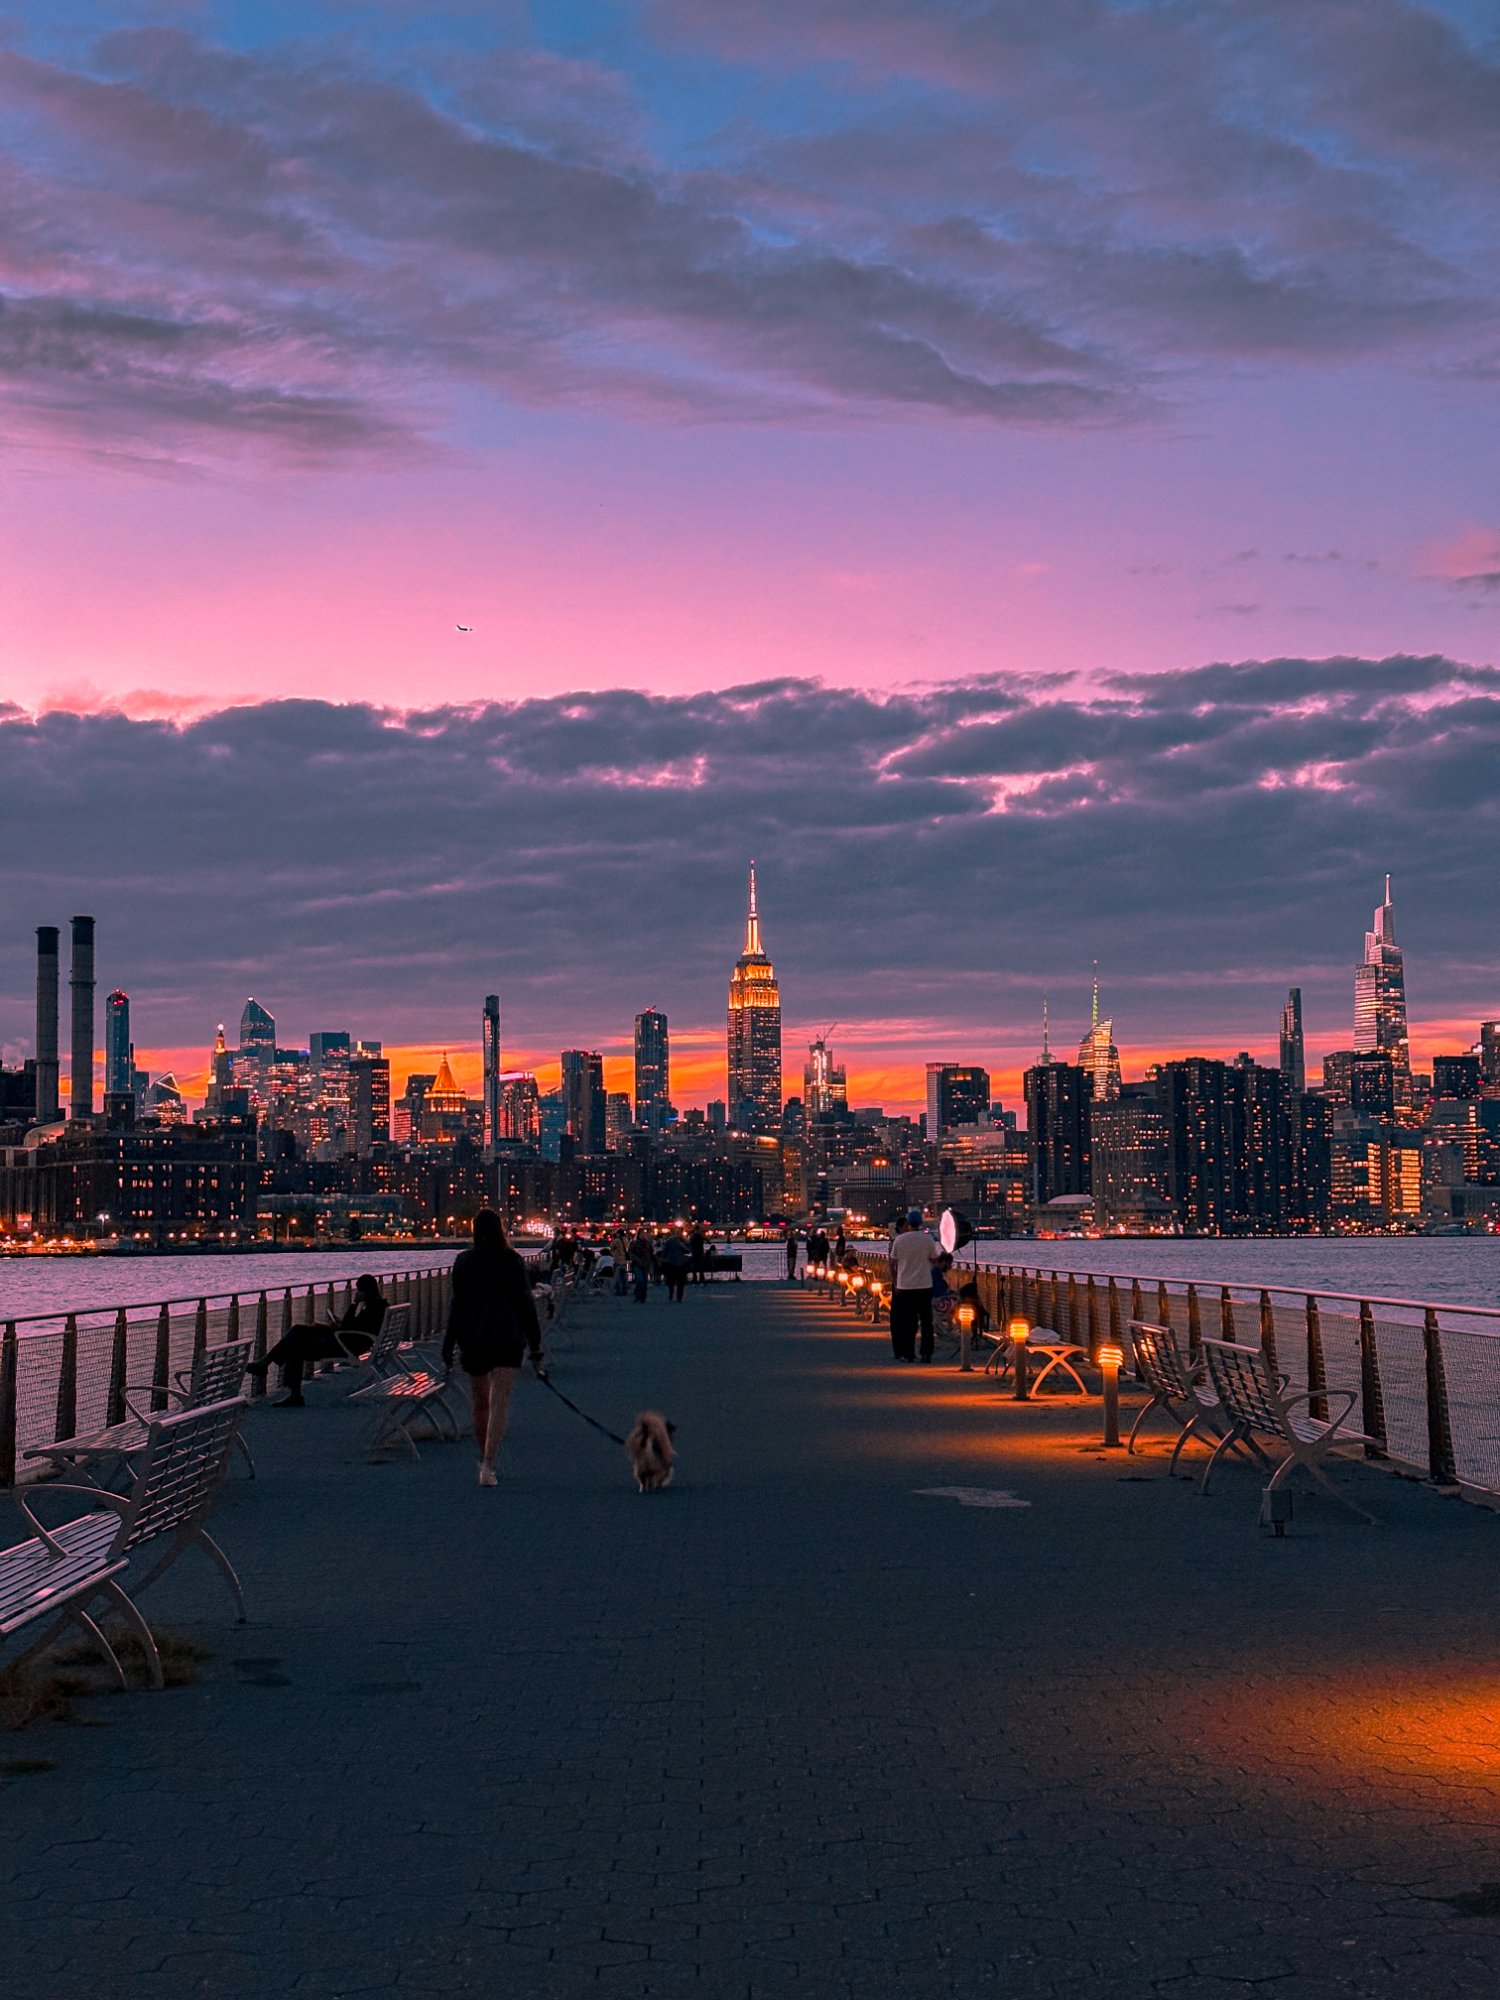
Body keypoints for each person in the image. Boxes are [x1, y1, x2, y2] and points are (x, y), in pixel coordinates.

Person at [442, 1210, 545, 1487]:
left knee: (479, 1402)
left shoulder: (464, 1261)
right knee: (499, 1401)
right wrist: (535, 1346)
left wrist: (448, 1343)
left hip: (473, 1340)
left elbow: (457, 1306)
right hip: (508, 1339)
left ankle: (482, 1457)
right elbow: (526, 1305)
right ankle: (489, 1462)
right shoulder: (513, 1261)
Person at [247, 1273, 387, 1408]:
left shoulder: (372, 1308)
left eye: (359, 1291)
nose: (357, 1293)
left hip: (346, 1346)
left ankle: (270, 1369)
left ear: (365, 1291)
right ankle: (267, 1366)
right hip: (351, 1342)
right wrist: (336, 1326)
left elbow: (348, 1327)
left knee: (296, 1340)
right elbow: (353, 1327)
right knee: (297, 1338)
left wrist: (354, 1304)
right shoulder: (379, 1306)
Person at [889, 1209, 939, 1363]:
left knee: (907, 1321)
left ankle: (908, 1353)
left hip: (905, 1286)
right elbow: (934, 1259)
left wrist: (895, 1282)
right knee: (926, 1321)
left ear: (908, 1223)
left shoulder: (899, 1240)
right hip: (924, 1284)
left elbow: (893, 1262)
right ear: (920, 1223)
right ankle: (926, 1353)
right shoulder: (928, 1239)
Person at [657, 1229, 690, 1303]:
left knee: (673, 1281)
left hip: (674, 1263)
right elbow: (688, 1251)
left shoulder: (670, 1241)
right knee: (678, 1282)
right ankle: (677, 1296)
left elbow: (665, 1251)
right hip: (678, 1263)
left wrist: (662, 1259)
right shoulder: (682, 1241)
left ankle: (673, 1295)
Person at [628, 1226, 655, 1305]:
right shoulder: (633, 1243)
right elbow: (630, 1252)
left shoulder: (647, 1243)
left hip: (645, 1264)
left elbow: (651, 1253)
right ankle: (639, 1296)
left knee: (645, 1281)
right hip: (637, 1263)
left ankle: (642, 1296)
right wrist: (635, 1259)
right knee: (640, 1280)